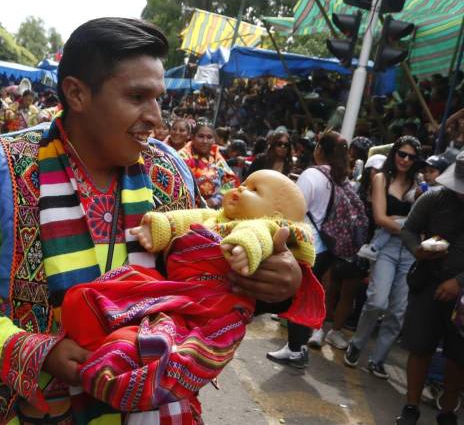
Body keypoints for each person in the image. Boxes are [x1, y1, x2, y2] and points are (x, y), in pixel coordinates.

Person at [0, 17, 304, 425]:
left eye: (159, 99)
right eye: (137, 97)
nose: (156, 118)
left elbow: (208, 279)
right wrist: (27, 348)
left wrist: (276, 287)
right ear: (77, 94)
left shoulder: (169, 173)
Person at [61, 169, 323, 413]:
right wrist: (158, 227)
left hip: (212, 305)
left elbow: (255, 235)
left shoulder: (259, 224)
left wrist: (250, 253)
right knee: (106, 293)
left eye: (253, 190)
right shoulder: (217, 217)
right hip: (175, 291)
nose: (240, 189)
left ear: (274, 216)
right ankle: (103, 335)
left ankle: (126, 370)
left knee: (174, 346)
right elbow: (186, 218)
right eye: (243, 184)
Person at [394, 150, 464, 425]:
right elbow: (408, 230)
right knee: (419, 346)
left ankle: (447, 411)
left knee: (458, 357)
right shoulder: (433, 198)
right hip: (428, 283)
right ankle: (410, 406)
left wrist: (458, 282)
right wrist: (418, 250)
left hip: (461, 294)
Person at [266, 131, 347, 369]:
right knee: (306, 293)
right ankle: (298, 347)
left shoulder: (313, 174)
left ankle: (295, 349)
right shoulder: (341, 176)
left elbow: (296, 209)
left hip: (308, 243)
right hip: (327, 247)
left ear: (320, 148)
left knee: (298, 296)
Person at [345, 136, 422, 379]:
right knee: (377, 301)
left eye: (411, 156)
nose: (405, 160)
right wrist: (409, 230)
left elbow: (422, 219)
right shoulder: (381, 178)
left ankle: (377, 360)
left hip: (410, 251)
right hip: (386, 246)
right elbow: (380, 218)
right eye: (402, 154)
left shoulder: (418, 184)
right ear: (394, 153)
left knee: (398, 310)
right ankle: (357, 343)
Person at [179, 121, 240, 209]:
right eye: (201, 136)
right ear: (192, 137)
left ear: (214, 140)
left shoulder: (217, 159)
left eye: (209, 137)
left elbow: (230, 183)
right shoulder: (181, 158)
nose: (205, 141)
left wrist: (215, 200)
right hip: (185, 209)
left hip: (213, 211)